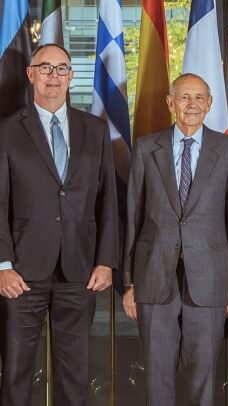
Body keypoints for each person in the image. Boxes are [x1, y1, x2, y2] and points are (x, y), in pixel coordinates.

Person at [0, 43, 119, 406]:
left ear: (72, 77)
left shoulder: (95, 130)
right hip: (21, 272)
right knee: (17, 371)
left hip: (80, 270)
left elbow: (108, 202)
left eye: (62, 69)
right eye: (46, 68)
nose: (54, 76)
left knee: (76, 373)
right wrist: (2, 265)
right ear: (31, 74)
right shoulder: (6, 131)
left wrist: (106, 260)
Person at [122, 73, 228, 406]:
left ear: (209, 104)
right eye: (183, 98)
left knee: (203, 377)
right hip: (152, 276)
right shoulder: (147, 148)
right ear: (170, 102)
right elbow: (133, 218)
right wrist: (129, 282)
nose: (191, 105)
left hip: (210, 278)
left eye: (198, 98)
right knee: (157, 377)